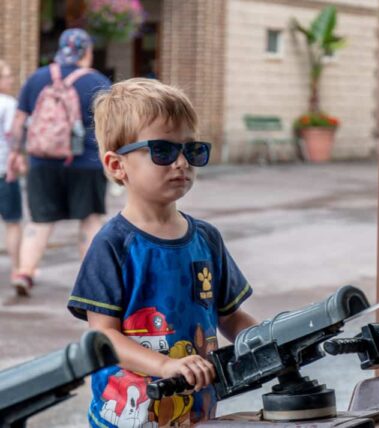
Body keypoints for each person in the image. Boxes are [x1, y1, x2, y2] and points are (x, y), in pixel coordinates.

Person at [67, 78, 256, 426]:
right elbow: (102, 336)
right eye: (163, 150)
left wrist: (271, 340)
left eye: (191, 149)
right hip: (131, 417)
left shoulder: (207, 239)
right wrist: (165, 366)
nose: (182, 162)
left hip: (198, 413)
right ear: (116, 165)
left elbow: (230, 317)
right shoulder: (113, 245)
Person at [7, 28, 111, 297]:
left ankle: (24, 273)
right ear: (86, 52)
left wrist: (16, 154)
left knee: (40, 220)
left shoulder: (37, 78)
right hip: (85, 163)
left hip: (42, 161)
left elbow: (19, 122)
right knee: (89, 219)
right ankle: (91, 281)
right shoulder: (97, 82)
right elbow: (111, 127)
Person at [0, 60, 23, 283]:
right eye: (6, 76)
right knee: (13, 222)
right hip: (4, 172)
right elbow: (12, 135)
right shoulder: (7, 103)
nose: (10, 80)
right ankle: (17, 270)